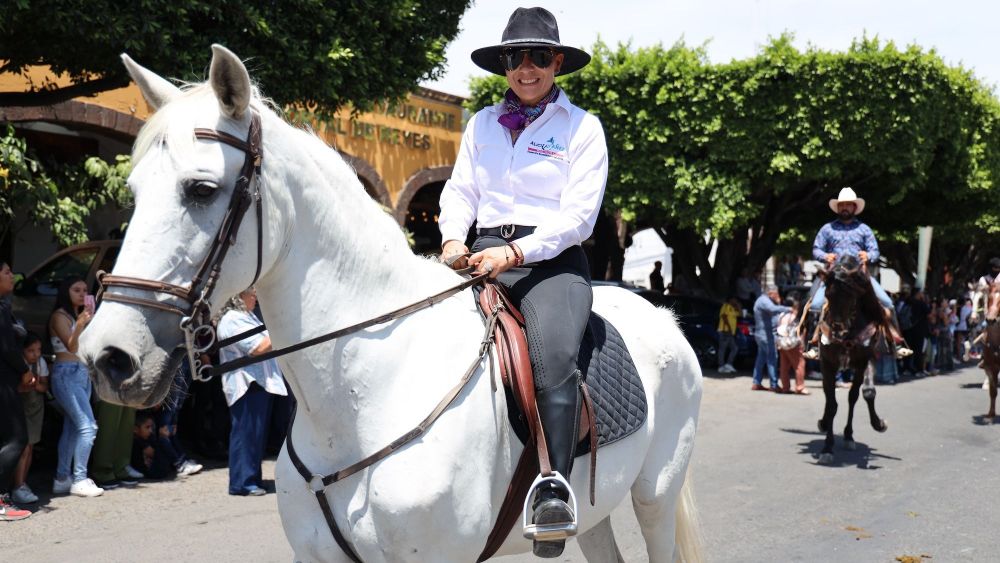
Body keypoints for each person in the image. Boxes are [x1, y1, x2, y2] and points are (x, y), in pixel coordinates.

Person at [438, 7, 606, 556]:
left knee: (553, 355)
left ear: (557, 62)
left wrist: (514, 253)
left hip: (550, 262)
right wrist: (451, 241)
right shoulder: (482, 123)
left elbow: (579, 218)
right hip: (479, 251)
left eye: (538, 57)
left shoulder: (582, 127)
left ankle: (553, 487)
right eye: (516, 57)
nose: (526, 68)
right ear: (504, 63)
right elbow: (460, 192)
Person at [809, 187, 909, 354]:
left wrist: (868, 255)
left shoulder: (864, 229)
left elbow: (875, 252)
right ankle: (812, 343)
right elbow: (816, 249)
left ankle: (896, 341)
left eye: (848, 205)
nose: (845, 208)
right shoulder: (827, 229)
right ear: (838, 207)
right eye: (842, 205)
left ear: (854, 207)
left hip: (859, 277)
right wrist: (825, 256)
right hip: (835, 277)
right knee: (816, 304)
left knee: (887, 303)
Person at [217, 288, 288, 497]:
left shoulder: (248, 317)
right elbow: (256, 348)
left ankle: (252, 478)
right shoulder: (232, 319)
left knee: (256, 434)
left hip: (259, 383)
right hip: (246, 384)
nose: (255, 295)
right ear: (238, 297)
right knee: (245, 433)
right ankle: (242, 483)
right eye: (251, 293)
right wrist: (282, 328)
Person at [48, 277, 103, 497]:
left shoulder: (77, 315)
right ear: (65, 291)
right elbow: (71, 345)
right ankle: (80, 479)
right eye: (76, 290)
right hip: (66, 373)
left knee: (72, 428)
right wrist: (80, 324)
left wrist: (89, 321)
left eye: (84, 290)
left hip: (81, 373)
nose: (82, 294)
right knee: (88, 426)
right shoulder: (59, 316)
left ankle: (62, 478)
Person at [0, 261, 32, 520]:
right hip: (4, 382)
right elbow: (7, 348)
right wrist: (25, 369)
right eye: (7, 272)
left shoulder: (4, 307)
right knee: (17, 438)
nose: (13, 276)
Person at [11, 332, 47, 505]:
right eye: (31, 351)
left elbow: (44, 386)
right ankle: (17, 485)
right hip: (20, 407)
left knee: (30, 446)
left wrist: (37, 385)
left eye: (39, 350)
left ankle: (22, 483)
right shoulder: (18, 366)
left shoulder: (41, 364)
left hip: (35, 408)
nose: (36, 354)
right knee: (23, 447)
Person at [752, 285, 790, 391]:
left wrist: (778, 302)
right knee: (772, 358)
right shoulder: (764, 301)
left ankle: (756, 382)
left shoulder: (763, 300)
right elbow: (773, 310)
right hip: (766, 335)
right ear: (771, 293)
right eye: (776, 294)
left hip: (762, 334)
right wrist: (788, 309)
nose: (777, 296)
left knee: (761, 359)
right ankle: (773, 384)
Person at [776, 298, 809, 394]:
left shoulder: (782, 316)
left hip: (782, 343)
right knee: (799, 365)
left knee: (784, 367)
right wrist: (802, 343)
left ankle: (785, 387)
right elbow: (799, 332)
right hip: (793, 344)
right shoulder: (796, 317)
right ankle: (800, 387)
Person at [717, 296, 740, 373]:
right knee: (722, 349)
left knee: (734, 348)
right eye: (734, 299)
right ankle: (721, 366)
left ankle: (728, 364)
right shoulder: (726, 306)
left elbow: (741, 314)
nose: (735, 301)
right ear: (730, 299)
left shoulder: (733, 308)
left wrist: (738, 306)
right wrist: (729, 328)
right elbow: (724, 316)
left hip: (730, 332)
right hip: (725, 331)